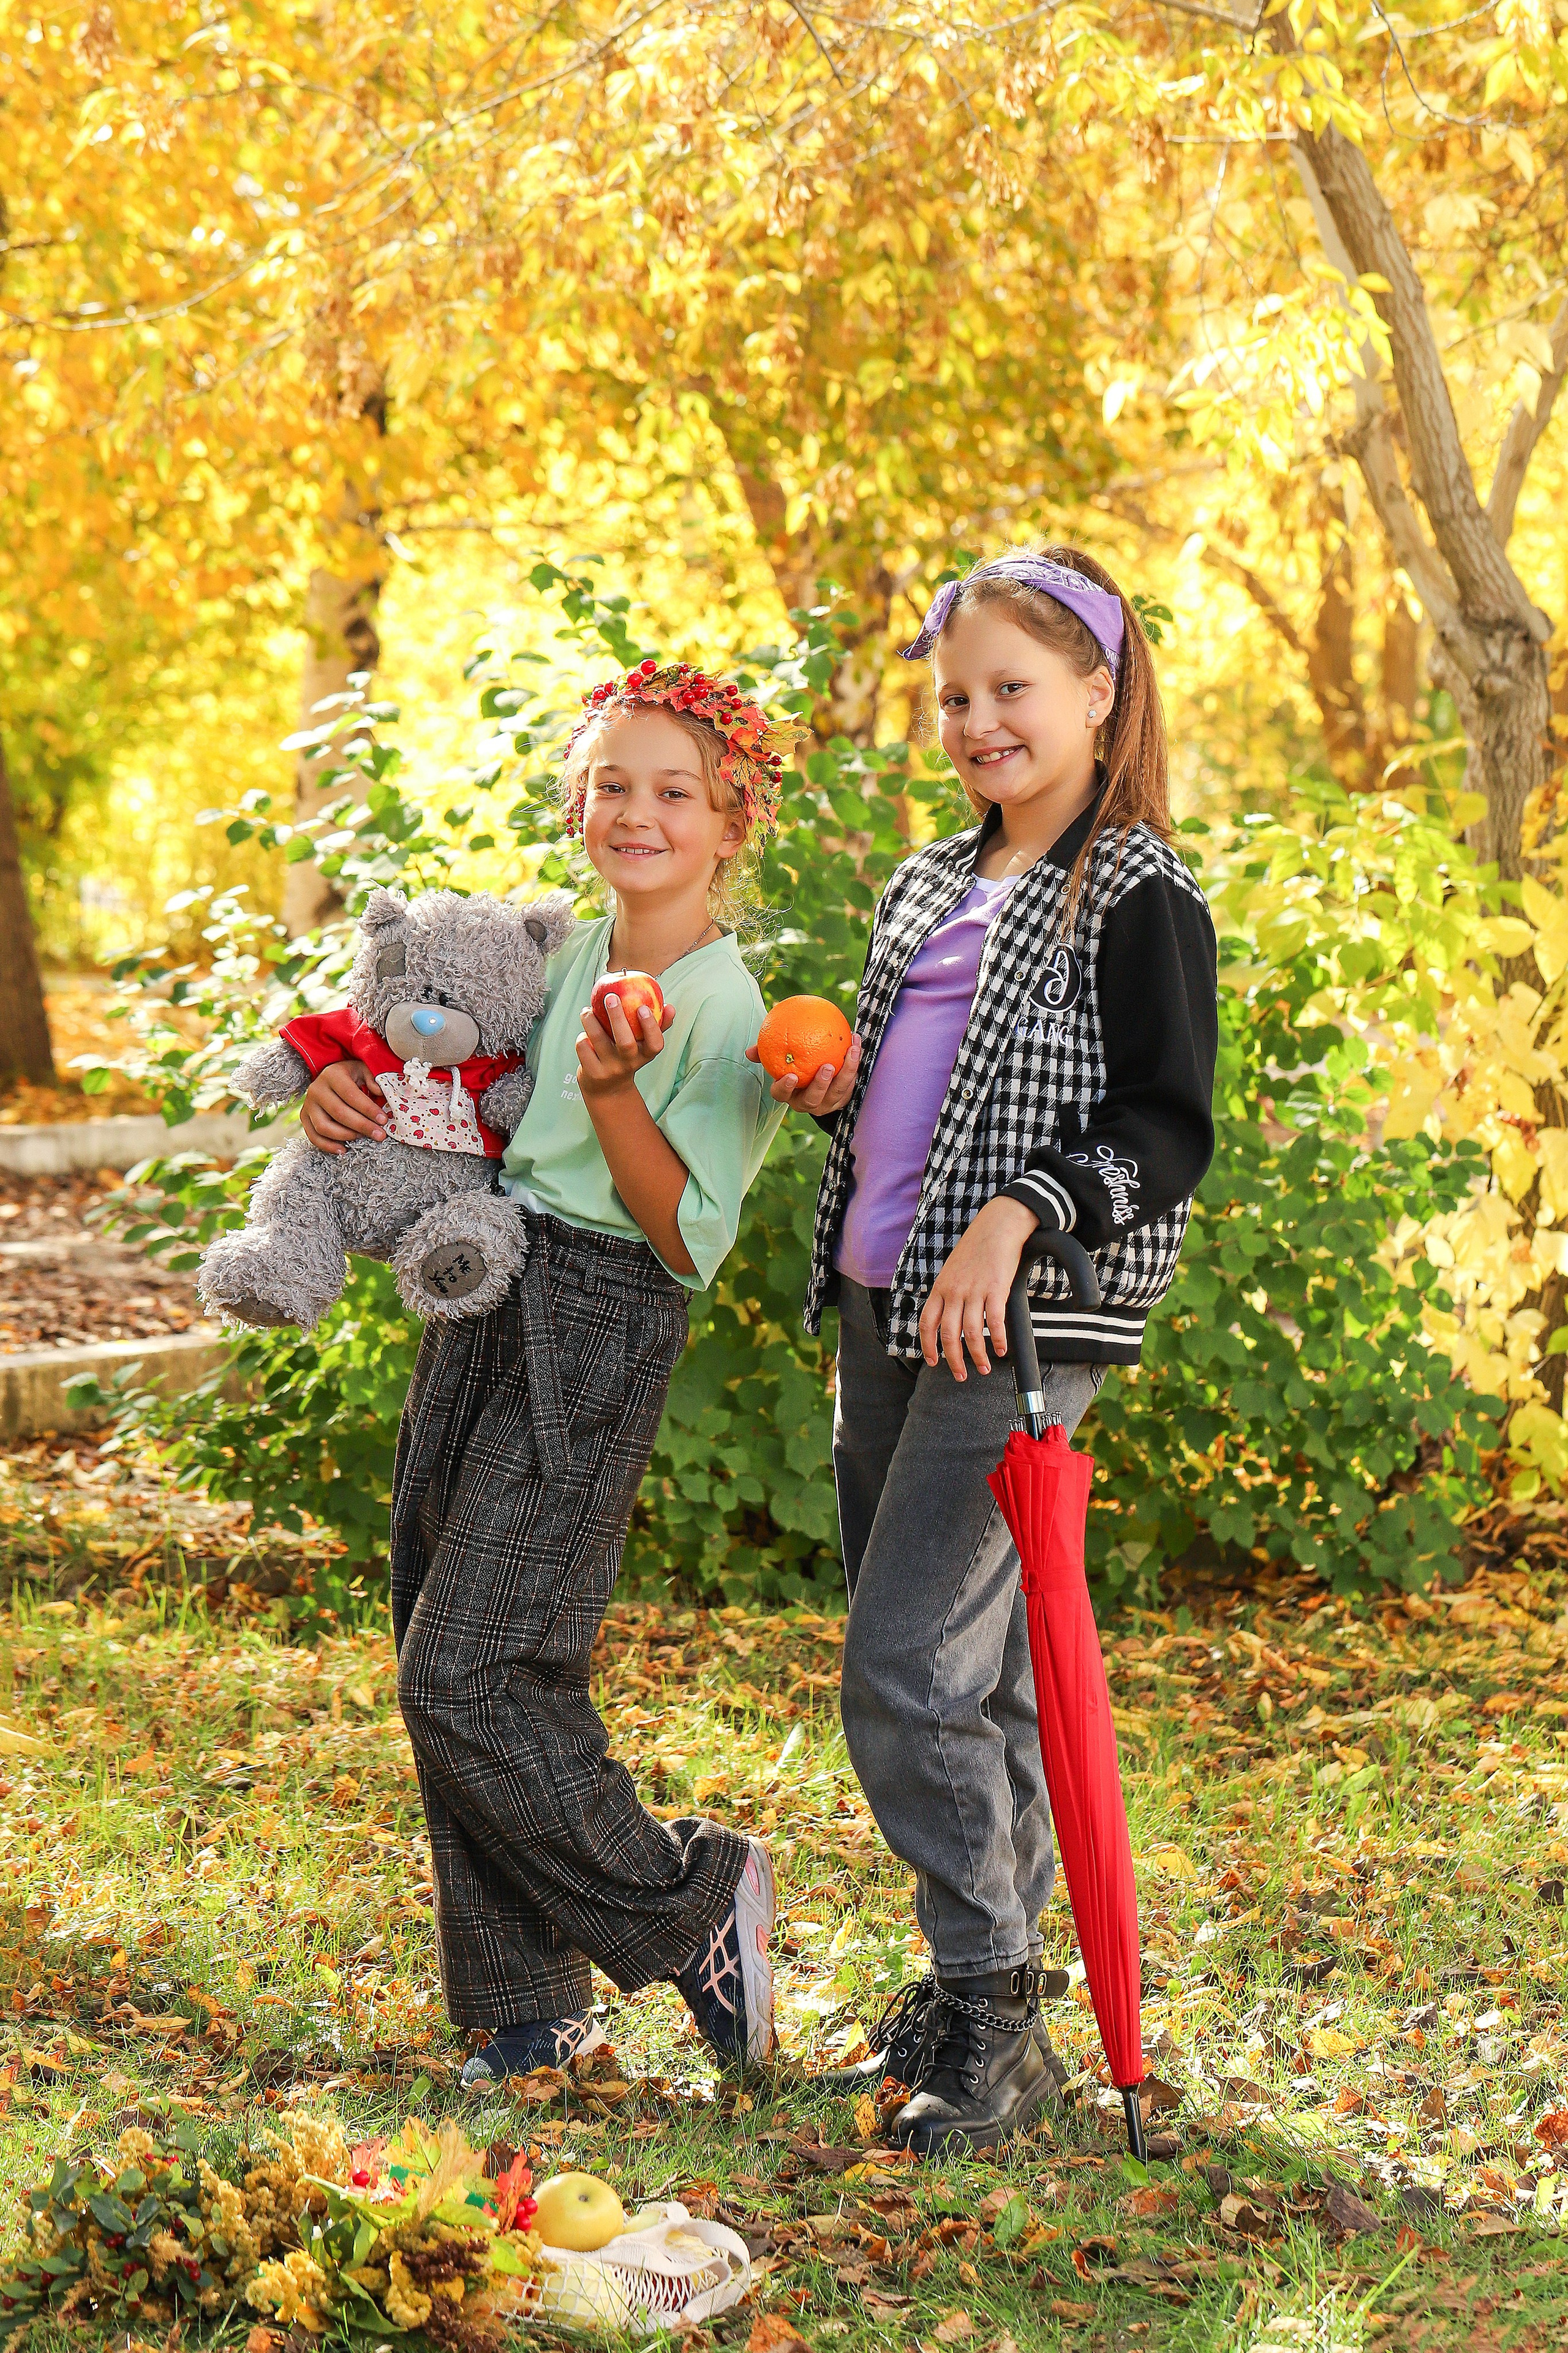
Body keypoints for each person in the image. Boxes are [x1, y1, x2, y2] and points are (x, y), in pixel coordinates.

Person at [752, 547, 1219, 2155]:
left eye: (1014, 688)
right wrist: (837, 1097)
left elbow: (1168, 1123)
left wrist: (1023, 1211)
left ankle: (992, 2012)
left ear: (1100, 693)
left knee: (905, 1672)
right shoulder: (929, 883)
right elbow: (911, 1103)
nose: (980, 720)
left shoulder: (1138, 890)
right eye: (956, 695)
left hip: (1014, 1333)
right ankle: (991, 1991)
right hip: (886, 1314)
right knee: (991, 1685)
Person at [296, 660, 790, 2081]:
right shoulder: (562, 950)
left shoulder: (723, 1001)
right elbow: (451, 1088)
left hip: (600, 1309)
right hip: (489, 1282)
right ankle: (525, 2010)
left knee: (466, 1671)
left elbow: (682, 1231)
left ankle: (688, 1899)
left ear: (727, 820)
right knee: (464, 1643)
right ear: (578, 802)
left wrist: (613, 1086)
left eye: (675, 791)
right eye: (613, 784)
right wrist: (349, 1097)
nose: (639, 811)